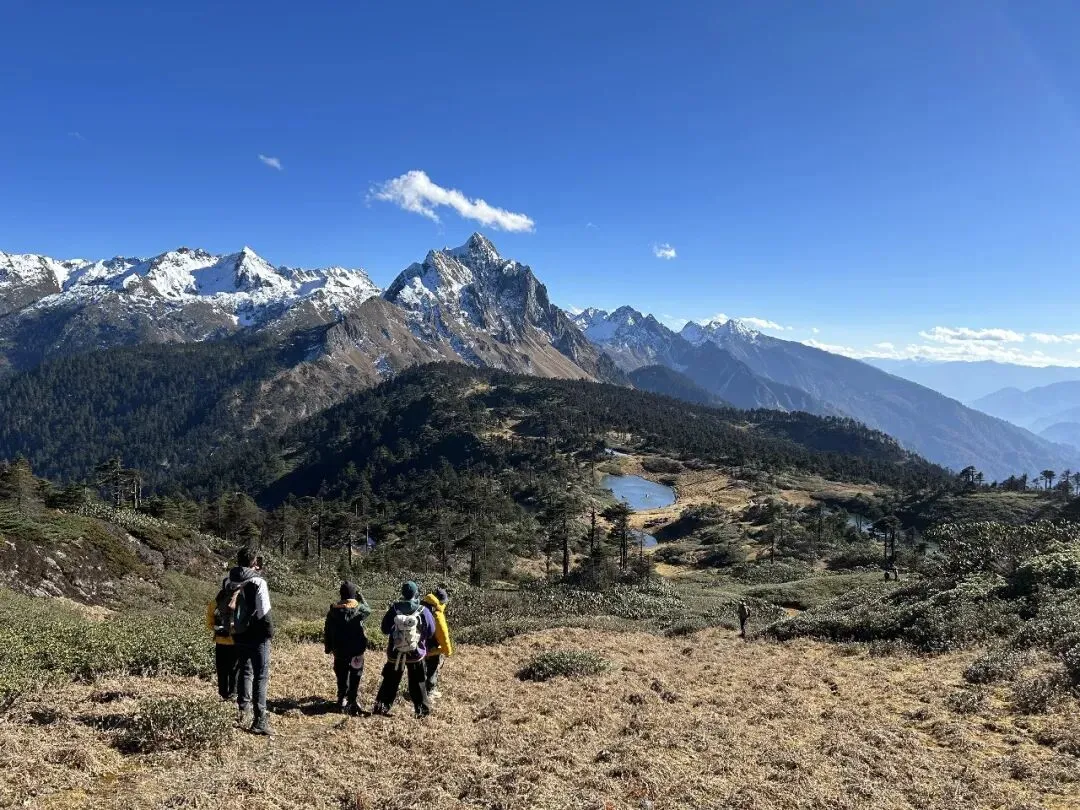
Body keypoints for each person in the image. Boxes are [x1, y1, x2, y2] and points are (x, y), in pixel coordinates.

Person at [224, 548, 274, 736]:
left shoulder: (228, 580)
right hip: (257, 635)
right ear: (254, 562)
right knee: (260, 675)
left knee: (244, 670)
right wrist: (269, 633)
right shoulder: (258, 581)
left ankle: (242, 711)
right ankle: (260, 720)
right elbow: (264, 613)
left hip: (238, 632)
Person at [372, 581, 435, 718]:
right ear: (415, 593)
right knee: (418, 682)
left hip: (395, 653)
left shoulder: (394, 608)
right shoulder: (423, 610)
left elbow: (384, 629)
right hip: (416, 653)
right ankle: (422, 712)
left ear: (402, 593)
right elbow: (431, 631)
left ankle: (381, 708)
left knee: (390, 681)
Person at [324, 581, 371, 715]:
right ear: (353, 594)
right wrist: (361, 597)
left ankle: (341, 698)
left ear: (341, 594)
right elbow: (369, 610)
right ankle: (352, 699)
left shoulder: (333, 611)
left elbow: (327, 630)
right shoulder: (360, 609)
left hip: (339, 650)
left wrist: (328, 647)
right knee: (356, 674)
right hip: (357, 651)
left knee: (341, 674)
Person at [206, 585, 238, 701]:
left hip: (220, 641)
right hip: (235, 642)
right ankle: (233, 694)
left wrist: (217, 628)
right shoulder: (238, 602)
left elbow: (209, 624)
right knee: (234, 670)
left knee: (221, 670)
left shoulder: (215, 602)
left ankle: (222, 694)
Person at [421, 586, 454, 698]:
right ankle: (430, 691)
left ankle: (418, 690)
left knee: (421, 668)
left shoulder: (421, 606)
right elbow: (443, 635)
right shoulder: (437, 613)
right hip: (431, 646)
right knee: (432, 668)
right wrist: (447, 651)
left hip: (419, 645)